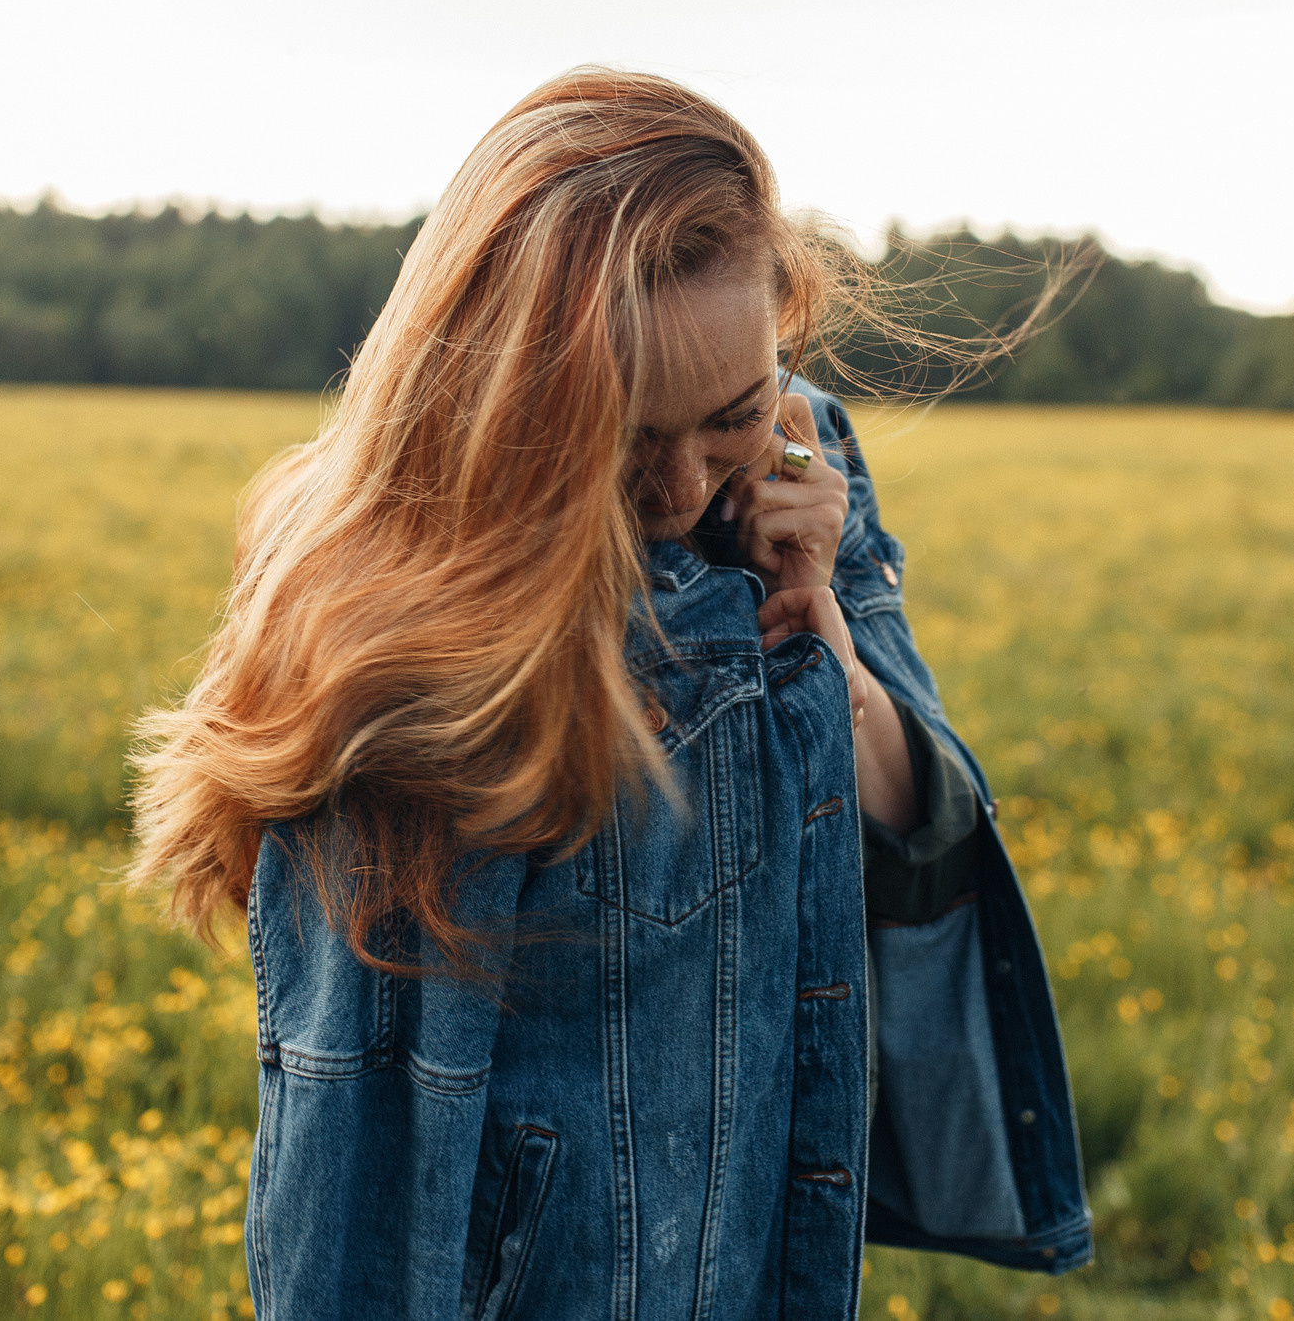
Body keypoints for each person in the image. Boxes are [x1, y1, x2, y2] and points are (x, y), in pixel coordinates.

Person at [128, 68, 1089, 1319]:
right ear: (503, 402)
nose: (686, 484)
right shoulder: (410, 638)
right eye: (625, 438)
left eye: (729, 416)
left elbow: (924, 843)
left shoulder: (804, 463)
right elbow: (357, 1159)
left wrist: (829, 648)